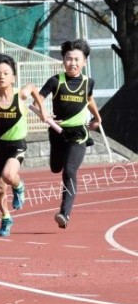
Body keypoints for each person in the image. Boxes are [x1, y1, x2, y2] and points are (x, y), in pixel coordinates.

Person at [39, 39, 102, 229]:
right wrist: (43, 111)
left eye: (76, 59)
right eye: (68, 59)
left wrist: (97, 117)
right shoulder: (55, 81)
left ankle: (64, 213)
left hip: (79, 133)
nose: (72, 63)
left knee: (70, 171)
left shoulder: (88, 82)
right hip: (57, 132)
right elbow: (38, 97)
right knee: (56, 168)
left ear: (84, 62)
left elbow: (88, 99)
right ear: (63, 60)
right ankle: (57, 160)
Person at [0, 54, 46, 237]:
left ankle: (19, 186)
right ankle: (6, 217)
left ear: (13, 77)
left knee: (8, 175)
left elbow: (34, 88)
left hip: (17, 145)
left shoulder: (21, 94)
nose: (1, 76)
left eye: (5, 73)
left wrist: (42, 111)